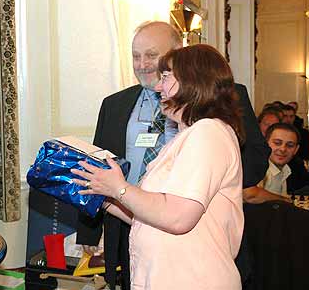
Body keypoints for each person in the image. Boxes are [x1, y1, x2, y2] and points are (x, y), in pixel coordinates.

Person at [76, 21, 270, 289]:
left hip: (193, 275)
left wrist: (119, 189)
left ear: (192, 82)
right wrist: (104, 197)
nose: (158, 87)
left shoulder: (207, 134)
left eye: (166, 77)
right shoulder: (187, 136)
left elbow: (178, 218)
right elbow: (155, 212)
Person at [76, 21, 182, 289]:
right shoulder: (114, 105)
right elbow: (96, 166)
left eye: (151, 55)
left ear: (177, 53)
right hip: (125, 222)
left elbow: (251, 160)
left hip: (186, 226)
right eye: (136, 56)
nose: (142, 64)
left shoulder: (213, 98)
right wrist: (89, 228)